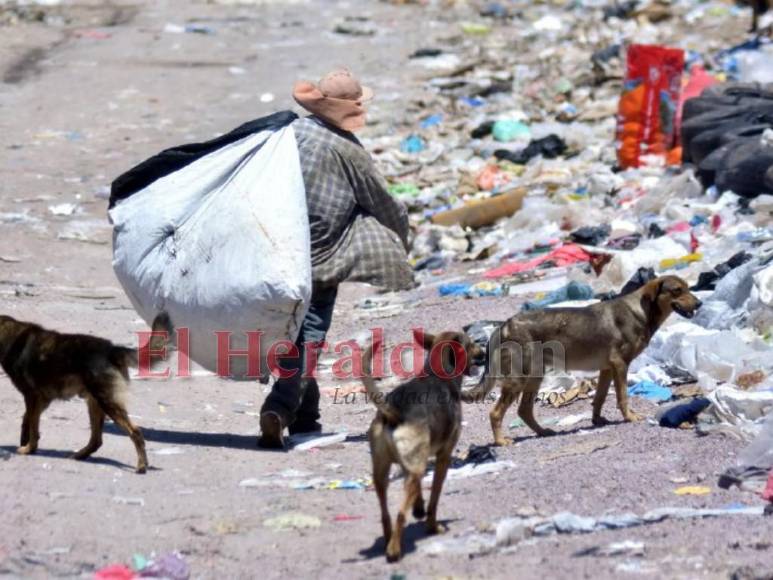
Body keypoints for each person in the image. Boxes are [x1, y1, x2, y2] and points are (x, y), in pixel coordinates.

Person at [258, 69, 414, 449]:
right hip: (321, 255)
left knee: (293, 334)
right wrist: (401, 236)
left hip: (275, 247)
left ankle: (305, 420)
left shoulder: (288, 134)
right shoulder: (348, 150)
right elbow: (382, 202)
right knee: (309, 333)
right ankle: (280, 406)